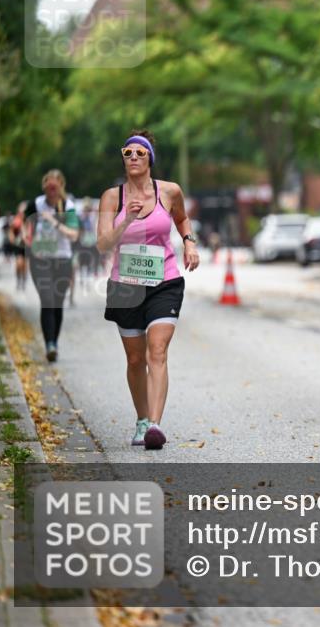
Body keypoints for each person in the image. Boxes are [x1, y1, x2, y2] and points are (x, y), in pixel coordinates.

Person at [97, 130, 200, 450]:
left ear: (150, 159)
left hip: (164, 282)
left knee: (157, 350)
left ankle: (154, 425)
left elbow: (182, 219)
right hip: (126, 286)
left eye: (140, 153)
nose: (134, 158)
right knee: (134, 359)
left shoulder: (169, 192)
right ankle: (141, 418)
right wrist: (125, 219)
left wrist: (189, 242)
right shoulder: (112, 198)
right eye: (127, 153)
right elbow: (103, 244)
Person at [21, 170, 80, 361]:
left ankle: (54, 340)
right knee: (47, 299)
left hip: (62, 259)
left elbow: (73, 234)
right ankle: (50, 345)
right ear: (44, 186)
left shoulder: (67, 206)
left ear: (60, 187)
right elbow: (24, 225)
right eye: (48, 187)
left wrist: (53, 221)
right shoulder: (35, 204)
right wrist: (27, 240)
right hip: (40, 260)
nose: (51, 191)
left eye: (55, 187)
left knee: (57, 303)